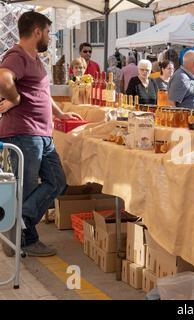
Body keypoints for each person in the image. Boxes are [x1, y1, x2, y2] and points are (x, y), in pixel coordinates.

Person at [0, 11, 82, 257]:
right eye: (47, 31)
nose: (49, 36)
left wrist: (60, 115)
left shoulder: (35, 59)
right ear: (37, 31)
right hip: (23, 133)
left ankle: (19, 222)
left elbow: (43, 95)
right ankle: (22, 237)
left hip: (40, 134)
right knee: (25, 188)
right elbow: (4, 79)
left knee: (57, 182)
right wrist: (14, 98)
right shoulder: (17, 55)